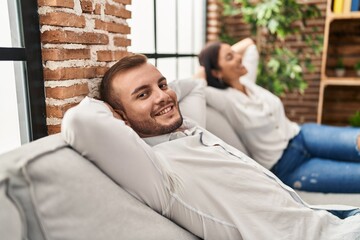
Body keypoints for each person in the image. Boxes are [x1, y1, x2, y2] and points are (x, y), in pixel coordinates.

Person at [62, 54, 360, 240]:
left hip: (328, 219)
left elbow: (194, 87)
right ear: (121, 117)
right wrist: (114, 112)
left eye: (162, 85)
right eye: (142, 95)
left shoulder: (187, 127)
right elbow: (81, 123)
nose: (162, 97)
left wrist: (153, 95)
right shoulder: (156, 169)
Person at [198, 38, 360, 193]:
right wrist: (206, 66)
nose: (239, 57)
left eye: (234, 52)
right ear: (216, 72)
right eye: (230, 57)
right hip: (286, 165)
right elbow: (193, 84)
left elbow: (249, 44)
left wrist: (226, 55)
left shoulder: (246, 80)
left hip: (301, 135)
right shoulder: (223, 99)